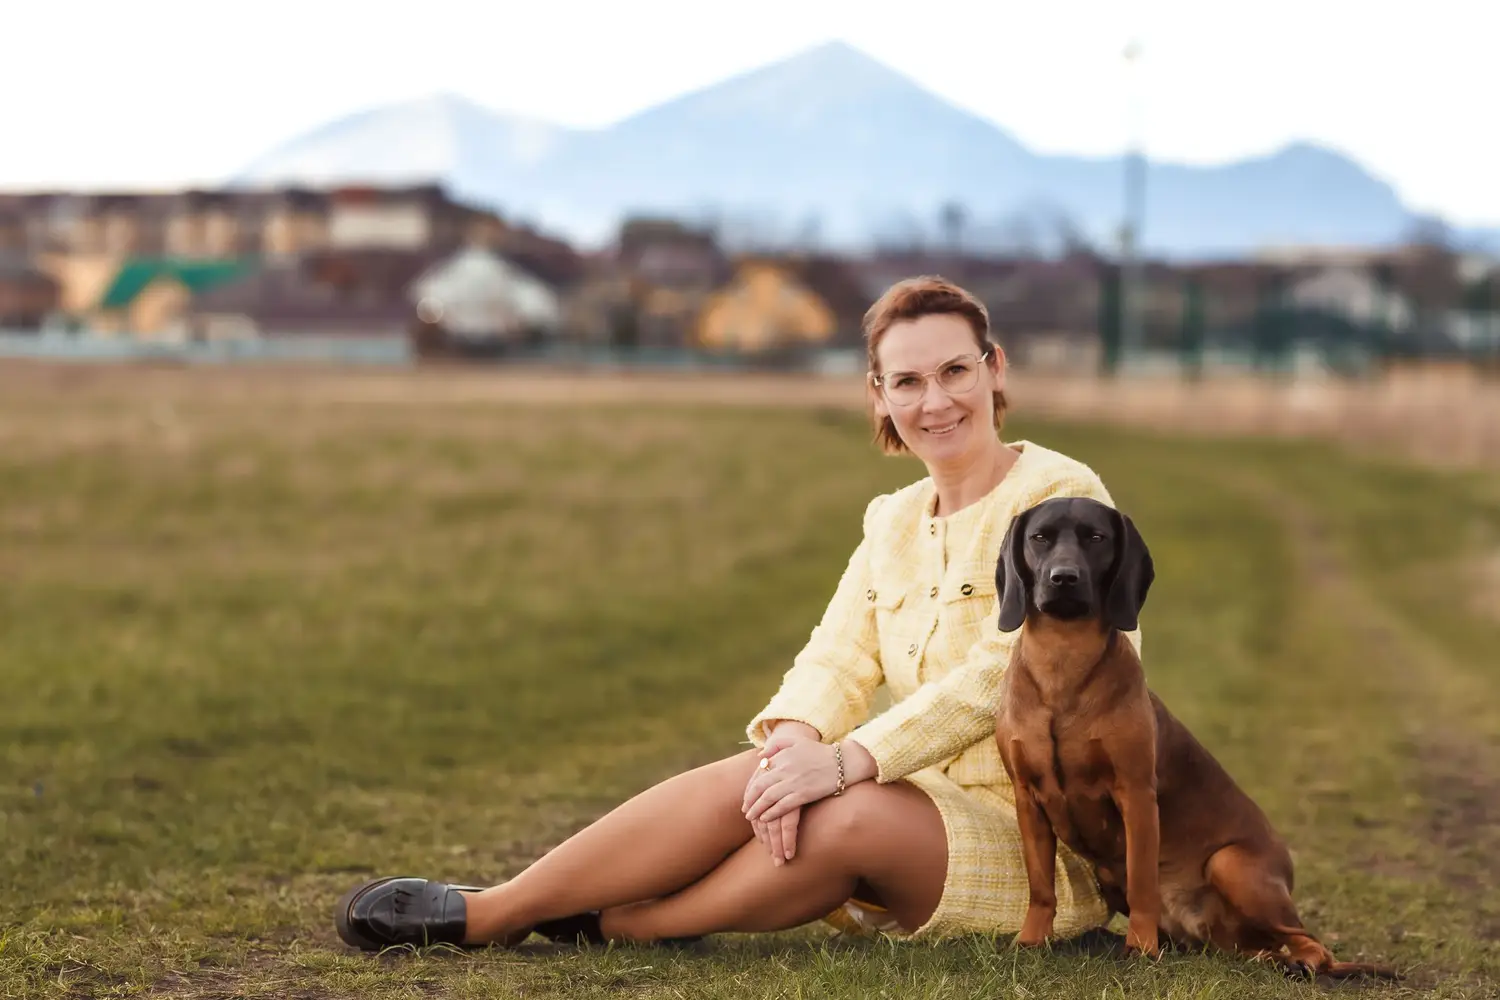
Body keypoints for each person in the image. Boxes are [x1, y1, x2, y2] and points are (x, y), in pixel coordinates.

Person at [333, 275, 1143, 951]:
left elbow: (1009, 675)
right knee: (764, 770)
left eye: (955, 371)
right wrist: (796, 742)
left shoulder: (1060, 496)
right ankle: (500, 909)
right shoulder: (892, 519)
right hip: (916, 796)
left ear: (995, 370)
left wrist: (847, 760)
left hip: (1045, 839)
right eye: (907, 381)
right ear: (879, 395)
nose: (935, 401)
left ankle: (624, 923)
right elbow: (838, 656)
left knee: (844, 810)